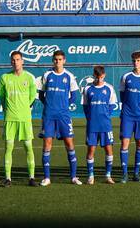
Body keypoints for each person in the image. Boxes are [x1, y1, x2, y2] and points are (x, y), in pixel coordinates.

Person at [38, 50, 81, 186]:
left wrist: (64, 107)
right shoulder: (47, 75)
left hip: (64, 116)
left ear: (64, 60)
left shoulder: (69, 76)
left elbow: (74, 96)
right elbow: (41, 95)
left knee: (69, 143)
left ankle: (73, 177)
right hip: (49, 115)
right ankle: (47, 178)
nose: (58, 62)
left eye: (60, 59)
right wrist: (49, 105)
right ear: (53, 60)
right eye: (56, 59)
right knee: (47, 144)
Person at [0, 51, 37, 187]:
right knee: (8, 148)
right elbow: (2, 97)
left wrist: (24, 108)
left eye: (18, 59)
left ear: (22, 61)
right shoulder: (4, 78)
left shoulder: (29, 78)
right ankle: (8, 178)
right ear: (11, 62)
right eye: (13, 60)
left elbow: (32, 97)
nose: (16, 62)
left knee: (28, 147)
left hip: (25, 118)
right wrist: (8, 109)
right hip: (10, 118)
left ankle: (31, 178)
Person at [118, 51, 140, 183]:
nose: (136, 63)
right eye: (134, 61)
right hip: (127, 115)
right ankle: (125, 174)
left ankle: (136, 174)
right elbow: (122, 95)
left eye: (138, 60)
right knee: (124, 143)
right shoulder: (126, 77)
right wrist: (127, 108)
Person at [82, 65, 117, 185]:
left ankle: (108, 175)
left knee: (109, 149)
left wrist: (106, 115)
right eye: (97, 77)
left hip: (105, 125)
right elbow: (85, 107)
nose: (99, 80)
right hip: (92, 125)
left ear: (104, 75)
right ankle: (91, 176)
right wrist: (90, 118)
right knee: (91, 150)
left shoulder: (109, 88)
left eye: (101, 77)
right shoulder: (88, 89)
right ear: (94, 76)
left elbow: (112, 105)